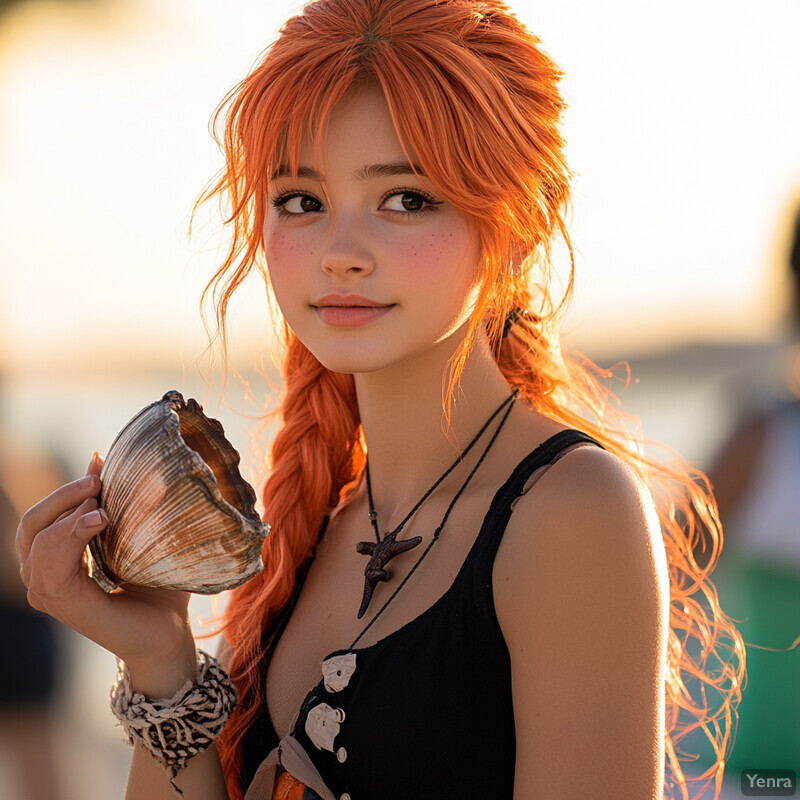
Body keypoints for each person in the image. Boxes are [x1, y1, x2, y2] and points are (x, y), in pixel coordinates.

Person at [15, 1, 744, 798]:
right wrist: (158, 656)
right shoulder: (309, 531)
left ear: (520, 222)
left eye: (405, 198)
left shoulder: (571, 513)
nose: (340, 254)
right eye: (301, 200)